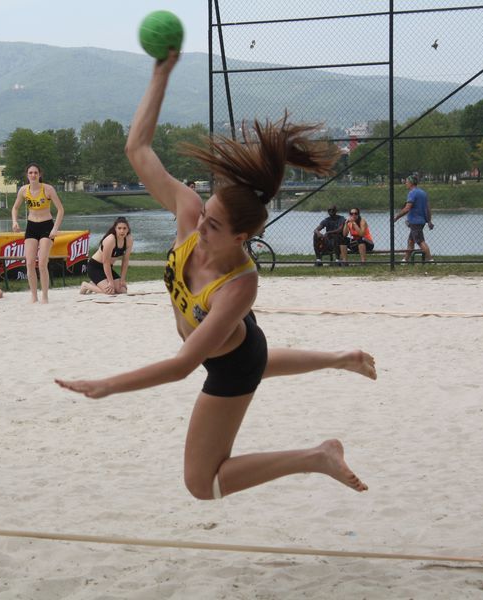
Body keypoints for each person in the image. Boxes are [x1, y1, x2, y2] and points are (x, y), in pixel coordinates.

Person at [57, 51, 375, 502]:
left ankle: (316, 457)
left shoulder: (241, 285)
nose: (200, 227)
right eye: (205, 213)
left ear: (241, 238)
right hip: (232, 343)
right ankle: (340, 357)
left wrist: (109, 385)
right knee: (257, 354)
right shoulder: (190, 214)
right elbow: (138, 150)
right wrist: (160, 74)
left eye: (213, 226)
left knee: (201, 483)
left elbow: (183, 366)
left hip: (231, 364)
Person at [11, 163, 65, 303]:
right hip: (31, 226)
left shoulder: (48, 189)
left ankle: (45, 296)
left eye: (35, 172)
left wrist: (55, 228)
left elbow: (60, 209)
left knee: (42, 262)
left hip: (46, 226)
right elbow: (15, 208)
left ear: (40, 174)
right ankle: (34, 296)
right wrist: (15, 221)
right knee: (29, 263)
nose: (33, 175)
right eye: (30, 173)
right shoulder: (23, 190)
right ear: (27, 175)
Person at [80, 217, 133, 295]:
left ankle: (95, 283)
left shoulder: (129, 240)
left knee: (122, 290)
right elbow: (106, 262)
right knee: (110, 291)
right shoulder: (110, 239)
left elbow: (125, 261)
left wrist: (122, 279)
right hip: (95, 267)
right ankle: (86, 285)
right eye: (119, 228)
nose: (122, 231)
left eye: (124, 228)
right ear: (115, 229)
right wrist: (111, 282)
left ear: (128, 229)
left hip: (108, 268)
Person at [393, 174, 434, 263]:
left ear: (411, 183)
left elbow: (407, 208)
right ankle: (405, 260)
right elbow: (428, 208)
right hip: (421, 221)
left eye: (407, 182)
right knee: (411, 241)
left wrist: (397, 217)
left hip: (415, 222)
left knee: (420, 241)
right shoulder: (423, 193)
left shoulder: (412, 193)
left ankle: (431, 260)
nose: (406, 183)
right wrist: (429, 221)